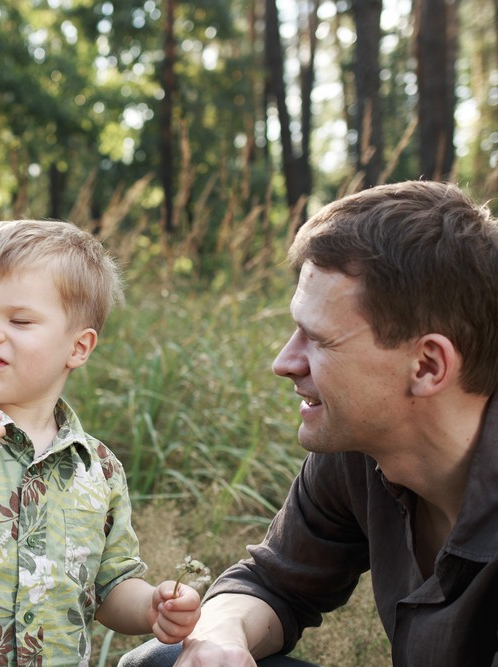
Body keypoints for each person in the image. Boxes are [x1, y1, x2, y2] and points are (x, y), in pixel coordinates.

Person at [120, 180, 498, 667]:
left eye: (318, 340)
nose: (284, 361)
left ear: (426, 366)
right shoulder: (361, 450)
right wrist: (223, 636)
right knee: (165, 661)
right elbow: (271, 583)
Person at [0, 219, 202, 665]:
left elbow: (109, 586)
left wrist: (150, 607)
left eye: (20, 320)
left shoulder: (98, 467)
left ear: (78, 348)